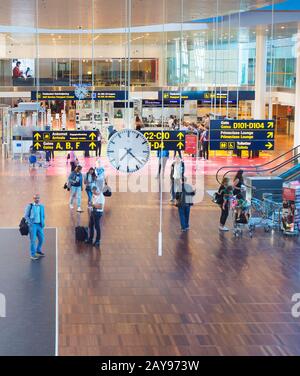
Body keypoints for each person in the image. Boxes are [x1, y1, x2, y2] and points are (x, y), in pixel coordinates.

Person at [24, 194, 45, 261]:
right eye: (36, 198)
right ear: (33, 199)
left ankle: (38, 250)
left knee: (41, 239)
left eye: (38, 198)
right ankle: (33, 254)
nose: (37, 199)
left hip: (39, 225)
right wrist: (30, 223)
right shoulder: (30, 206)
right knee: (33, 240)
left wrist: (43, 222)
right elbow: (26, 216)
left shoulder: (41, 206)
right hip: (33, 226)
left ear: (39, 199)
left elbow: (43, 215)